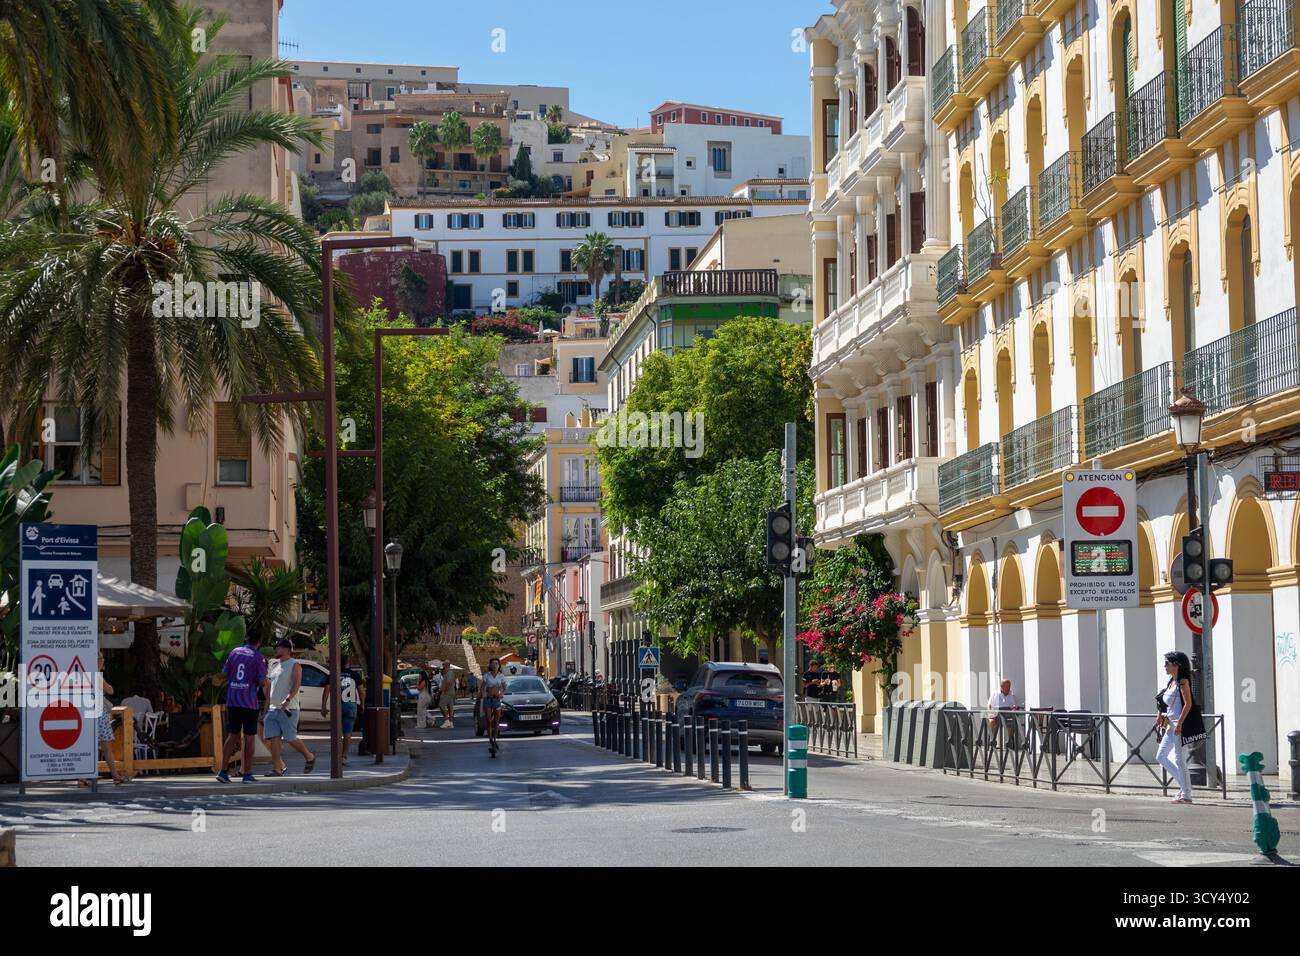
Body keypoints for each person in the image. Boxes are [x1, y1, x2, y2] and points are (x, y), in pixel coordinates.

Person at [217, 633, 269, 783]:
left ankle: (223, 771)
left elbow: (224, 673)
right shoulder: (258, 657)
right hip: (248, 702)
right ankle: (247, 774)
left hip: (232, 699)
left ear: (246, 639)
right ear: (259, 642)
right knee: (249, 737)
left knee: (232, 735)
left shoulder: (234, 652)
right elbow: (262, 682)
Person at [264, 638, 315, 775]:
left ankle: (309, 756)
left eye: (278, 647)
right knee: (274, 739)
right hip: (273, 708)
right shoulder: (274, 665)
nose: (276, 649)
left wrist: (288, 699)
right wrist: (266, 706)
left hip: (288, 708)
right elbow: (270, 687)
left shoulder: (294, 664)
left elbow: (296, 684)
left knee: (290, 738)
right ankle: (277, 769)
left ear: (286, 649)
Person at [1156, 651, 1195, 804]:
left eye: (1167, 663)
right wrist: (1160, 714)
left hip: (1180, 726)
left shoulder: (1183, 682)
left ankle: (1186, 794)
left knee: (1180, 759)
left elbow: (1188, 704)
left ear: (1176, 665)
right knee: (1161, 756)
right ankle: (1184, 787)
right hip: (1170, 726)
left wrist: (1179, 723)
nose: (1165, 666)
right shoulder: (1171, 682)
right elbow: (1165, 703)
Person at [85, 652, 127, 786]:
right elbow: (110, 690)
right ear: (98, 661)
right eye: (102, 659)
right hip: (97, 712)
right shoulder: (96, 675)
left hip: (89, 711)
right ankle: (113, 775)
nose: (103, 662)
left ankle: (84, 776)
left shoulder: (86, 675)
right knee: (105, 747)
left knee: (92, 746)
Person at [320, 653, 364, 764]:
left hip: (337, 705)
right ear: (347, 662)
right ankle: (344, 756)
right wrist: (362, 704)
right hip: (350, 705)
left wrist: (323, 706)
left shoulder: (333, 675)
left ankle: (336, 754)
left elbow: (326, 690)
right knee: (348, 732)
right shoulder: (354, 675)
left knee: (337, 732)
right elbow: (361, 691)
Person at [480, 657, 506, 756]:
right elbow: (482, 687)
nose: (495, 665)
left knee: (496, 721)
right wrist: (483, 694)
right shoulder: (487, 675)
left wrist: (501, 694)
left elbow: (505, 688)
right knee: (489, 721)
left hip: (496, 700)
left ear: (499, 666)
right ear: (490, 665)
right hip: (488, 700)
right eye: (493, 663)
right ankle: (490, 739)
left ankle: (494, 739)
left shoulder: (501, 676)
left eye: (496, 663)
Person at [987, 678, 1019, 744]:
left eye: (1009, 686)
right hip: (996, 715)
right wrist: (991, 712)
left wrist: (1014, 708)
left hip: (1008, 716)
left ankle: (1009, 741)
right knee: (992, 722)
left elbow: (1015, 706)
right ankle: (992, 740)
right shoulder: (995, 694)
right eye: (1007, 686)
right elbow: (989, 705)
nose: (1008, 688)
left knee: (1013, 723)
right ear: (1001, 686)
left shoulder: (1012, 695)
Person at [438, 662, 456, 728]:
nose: (443, 668)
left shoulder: (449, 673)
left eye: (443, 667)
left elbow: (449, 683)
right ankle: (450, 722)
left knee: (441, 705)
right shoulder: (447, 674)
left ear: (446, 666)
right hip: (449, 692)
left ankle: (447, 720)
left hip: (448, 692)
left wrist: (444, 691)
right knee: (450, 707)